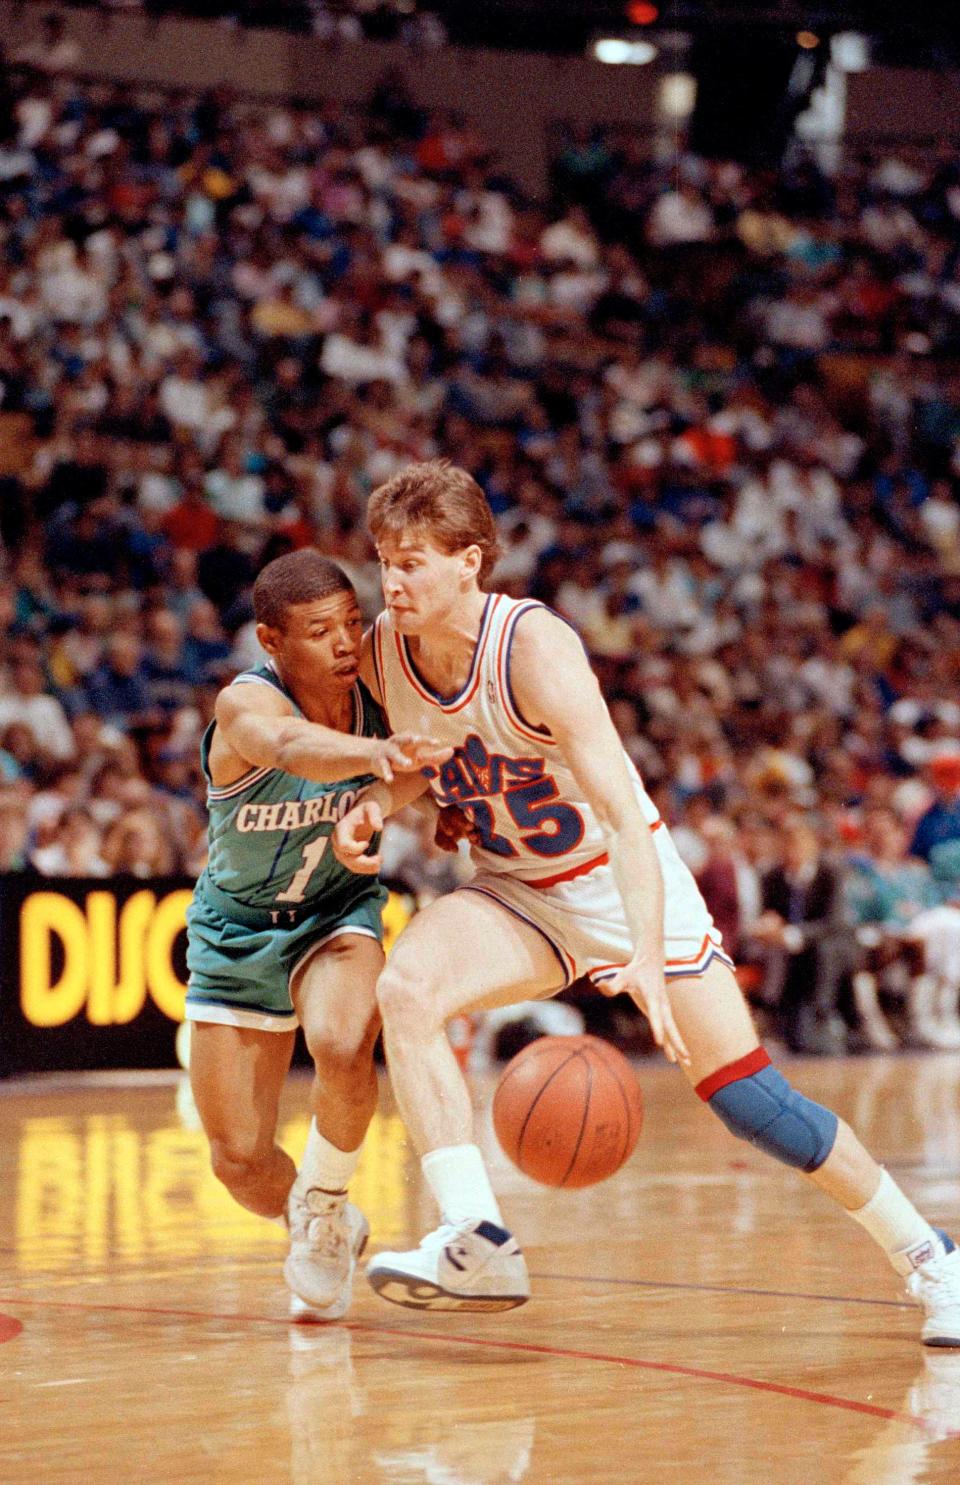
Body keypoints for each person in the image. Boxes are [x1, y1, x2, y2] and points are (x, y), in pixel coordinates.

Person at [331, 461, 960, 1345]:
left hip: (624, 881)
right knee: (406, 991)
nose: (391, 582)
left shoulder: (535, 650)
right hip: (518, 890)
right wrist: (374, 802)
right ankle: (479, 1236)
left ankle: (936, 1261)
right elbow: (421, 763)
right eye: (385, 560)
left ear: (470, 560)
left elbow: (627, 817)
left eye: (413, 563)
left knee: (752, 1101)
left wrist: (648, 970)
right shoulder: (384, 654)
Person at [185, 548, 450, 1319]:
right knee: (237, 1161)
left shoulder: (376, 681)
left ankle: (327, 1207)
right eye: (319, 630)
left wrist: (382, 789)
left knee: (341, 1041)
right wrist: (375, 755)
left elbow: (421, 765)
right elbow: (293, 751)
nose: (343, 643)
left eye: (352, 623)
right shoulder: (243, 706)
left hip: (337, 913)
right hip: (235, 931)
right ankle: (310, 1209)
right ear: (272, 641)